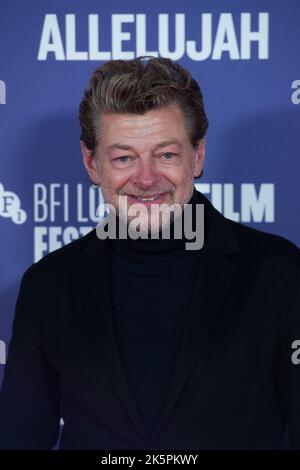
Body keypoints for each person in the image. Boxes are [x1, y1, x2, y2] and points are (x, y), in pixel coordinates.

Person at [0, 57, 299, 450]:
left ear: (198, 156)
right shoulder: (48, 286)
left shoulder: (278, 273)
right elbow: (19, 439)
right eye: (124, 157)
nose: (145, 179)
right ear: (92, 163)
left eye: (166, 155)